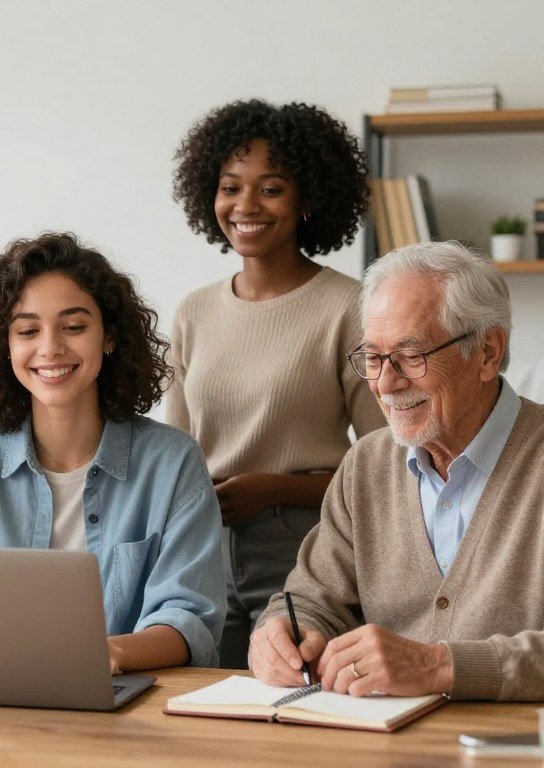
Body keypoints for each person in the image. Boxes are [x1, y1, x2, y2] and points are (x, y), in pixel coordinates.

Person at [0, 232, 226, 671]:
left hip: (135, 702)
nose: (50, 348)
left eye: (74, 327)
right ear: (5, 346)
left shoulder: (173, 463)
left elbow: (189, 617)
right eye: (27, 330)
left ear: (109, 336)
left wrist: (108, 654)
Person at [249, 241, 544, 701]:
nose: (385, 384)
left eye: (411, 356)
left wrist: (441, 666)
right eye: (372, 358)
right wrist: (283, 633)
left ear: (487, 353)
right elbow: (312, 600)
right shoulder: (365, 465)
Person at [168, 99, 385, 668]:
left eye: (271, 188)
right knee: (200, 703)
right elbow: (173, 450)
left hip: (300, 541)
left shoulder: (350, 308)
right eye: (230, 187)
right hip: (201, 539)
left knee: (290, 699)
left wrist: (274, 488)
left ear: (308, 198)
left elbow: (389, 464)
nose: (245, 206)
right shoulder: (192, 311)